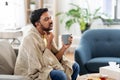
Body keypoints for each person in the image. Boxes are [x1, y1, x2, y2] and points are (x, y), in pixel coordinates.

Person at [14, 8, 80, 80]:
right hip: (32, 73)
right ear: (37, 24)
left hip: (46, 67)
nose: (51, 21)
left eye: (50, 18)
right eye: (46, 19)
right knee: (59, 75)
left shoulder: (46, 34)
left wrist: (64, 47)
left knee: (74, 66)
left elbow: (53, 60)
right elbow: (41, 66)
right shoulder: (30, 39)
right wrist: (49, 43)